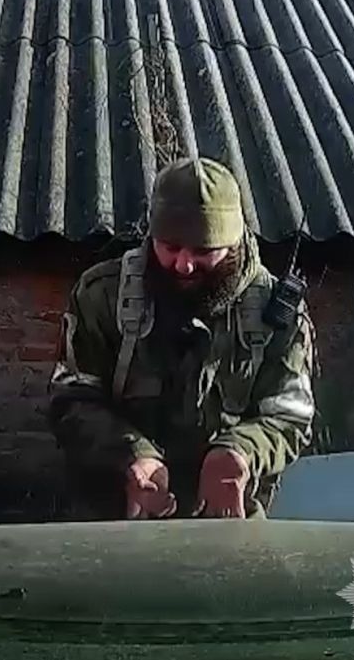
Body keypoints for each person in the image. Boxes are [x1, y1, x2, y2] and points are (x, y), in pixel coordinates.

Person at [48, 157, 316, 521]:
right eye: (170, 247)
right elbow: (71, 400)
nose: (183, 265)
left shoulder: (276, 314)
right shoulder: (102, 296)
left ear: (233, 243)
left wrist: (239, 452)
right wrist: (131, 454)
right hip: (114, 518)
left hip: (226, 520)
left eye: (204, 251)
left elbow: (290, 415)